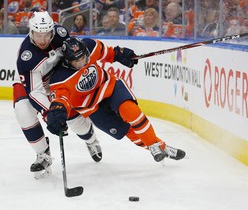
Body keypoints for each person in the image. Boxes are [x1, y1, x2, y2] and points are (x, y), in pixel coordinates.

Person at [46, 37, 186, 163]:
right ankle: (162, 147)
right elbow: (60, 100)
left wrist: (121, 54)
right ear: (67, 61)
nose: (82, 62)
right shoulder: (60, 78)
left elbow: (109, 53)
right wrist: (57, 111)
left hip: (109, 87)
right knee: (127, 131)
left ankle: (154, 145)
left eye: (84, 57)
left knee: (130, 111)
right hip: (91, 108)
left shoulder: (90, 45)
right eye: (77, 61)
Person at [13, 11, 102, 179]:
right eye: (38, 35)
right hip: (33, 84)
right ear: (31, 32)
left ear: (52, 31)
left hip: (57, 78)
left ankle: (91, 140)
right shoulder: (26, 56)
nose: (43, 39)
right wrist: (50, 113)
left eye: (46, 34)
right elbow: (35, 92)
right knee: (23, 110)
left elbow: (74, 54)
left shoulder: (61, 34)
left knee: (73, 119)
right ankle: (43, 154)